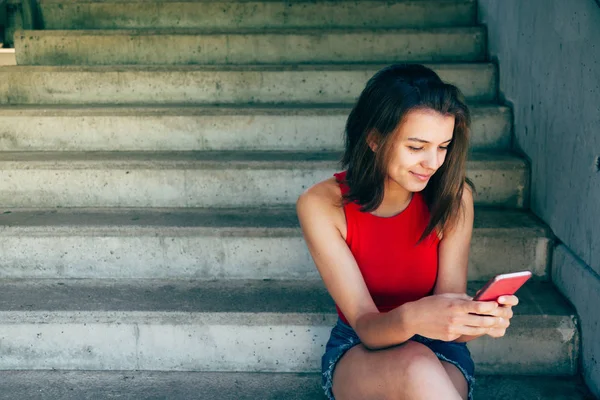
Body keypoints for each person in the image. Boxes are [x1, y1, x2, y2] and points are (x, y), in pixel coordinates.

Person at [296, 64, 519, 400]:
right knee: (415, 365)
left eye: (443, 146)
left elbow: (448, 316)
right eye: (416, 147)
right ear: (374, 139)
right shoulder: (322, 204)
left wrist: (476, 319)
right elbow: (367, 325)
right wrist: (415, 316)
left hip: (439, 350)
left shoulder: (455, 198)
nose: (433, 162)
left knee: (423, 365)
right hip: (360, 347)